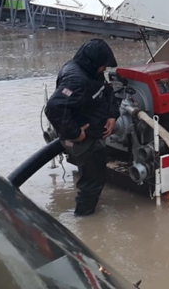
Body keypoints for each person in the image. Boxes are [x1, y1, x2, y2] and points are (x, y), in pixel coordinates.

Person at [45, 38, 120, 216]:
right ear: (94, 62)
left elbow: (106, 91)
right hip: (86, 141)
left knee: (92, 176)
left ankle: (92, 206)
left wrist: (112, 115)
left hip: (95, 134)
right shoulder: (76, 80)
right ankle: (85, 220)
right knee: (91, 183)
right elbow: (54, 107)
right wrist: (75, 133)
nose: (104, 69)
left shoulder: (91, 72)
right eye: (103, 65)